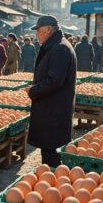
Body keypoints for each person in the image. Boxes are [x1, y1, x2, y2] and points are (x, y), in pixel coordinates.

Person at [25, 15, 76, 167]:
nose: (36, 34)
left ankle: (52, 182)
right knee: (49, 150)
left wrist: (33, 90)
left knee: (51, 153)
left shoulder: (59, 48)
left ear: (48, 30)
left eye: (38, 31)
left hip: (54, 110)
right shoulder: (58, 45)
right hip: (53, 108)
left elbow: (54, 80)